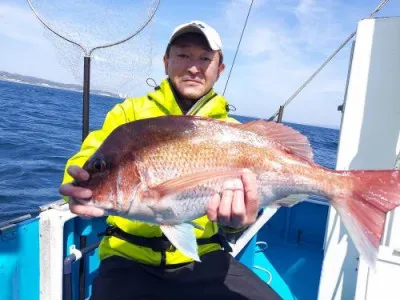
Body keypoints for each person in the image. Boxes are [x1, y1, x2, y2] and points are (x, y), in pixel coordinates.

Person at [59, 20, 281, 300]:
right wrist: (76, 186)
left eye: (205, 59)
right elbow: (87, 160)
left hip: (205, 256)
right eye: (183, 55)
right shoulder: (128, 114)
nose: (193, 67)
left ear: (219, 69)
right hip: (127, 258)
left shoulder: (232, 132)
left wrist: (237, 222)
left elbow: (236, 219)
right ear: (166, 61)